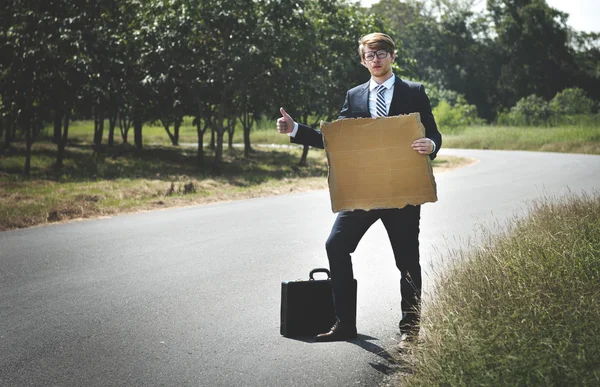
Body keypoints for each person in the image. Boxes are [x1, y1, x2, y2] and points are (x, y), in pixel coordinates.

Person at [276, 33, 442, 343]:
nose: (375, 59)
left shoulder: (414, 92)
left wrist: (430, 144)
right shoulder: (354, 95)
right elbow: (337, 139)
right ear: (362, 60)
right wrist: (295, 129)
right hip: (362, 192)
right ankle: (345, 325)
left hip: (401, 191)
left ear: (392, 56)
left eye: (381, 53)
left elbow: (433, 132)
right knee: (336, 245)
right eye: (369, 55)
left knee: (406, 260)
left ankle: (410, 330)